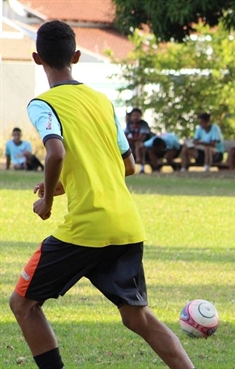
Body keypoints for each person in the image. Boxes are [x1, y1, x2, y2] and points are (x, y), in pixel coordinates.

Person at [9, 20, 195, 369]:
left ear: (37, 58)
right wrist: (64, 185)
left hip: (85, 229)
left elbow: (57, 153)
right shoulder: (103, 102)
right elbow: (128, 167)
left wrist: (47, 200)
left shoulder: (43, 104)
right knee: (137, 318)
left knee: (23, 305)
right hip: (126, 225)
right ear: (76, 56)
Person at [125, 107, 153, 173]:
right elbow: (125, 135)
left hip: (145, 143)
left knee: (139, 145)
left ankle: (141, 166)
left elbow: (141, 138)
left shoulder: (144, 124)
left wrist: (129, 139)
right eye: (134, 115)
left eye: (137, 115)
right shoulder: (129, 124)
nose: (135, 117)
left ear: (140, 116)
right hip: (133, 143)